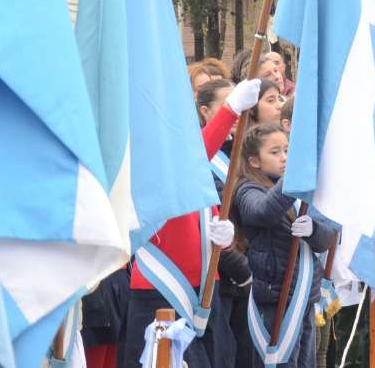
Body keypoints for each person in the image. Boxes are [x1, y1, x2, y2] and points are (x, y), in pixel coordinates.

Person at [119, 79, 261, 368]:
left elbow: (201, 213)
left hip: (205, 290)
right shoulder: (153, 158)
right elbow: (192, 163)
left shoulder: (188, 161)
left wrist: (225, 237)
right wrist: (230, 109)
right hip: (160, 291)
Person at [235, 123, 337, 368]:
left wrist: (313, 229)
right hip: (274, 297)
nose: (284, 158)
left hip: (303, 295)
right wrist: (294, 176)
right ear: (254, 161)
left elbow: (327, 240)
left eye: (288, 151)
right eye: (275, 152)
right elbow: (262, 212)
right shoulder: (248, 188)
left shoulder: (295, 189)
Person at [195, 80, 257, 367]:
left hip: (250, 271)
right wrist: (241, 269)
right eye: (229, 103)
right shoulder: (199, 153)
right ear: (207, 112)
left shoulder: (246, 151)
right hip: (224, 273)